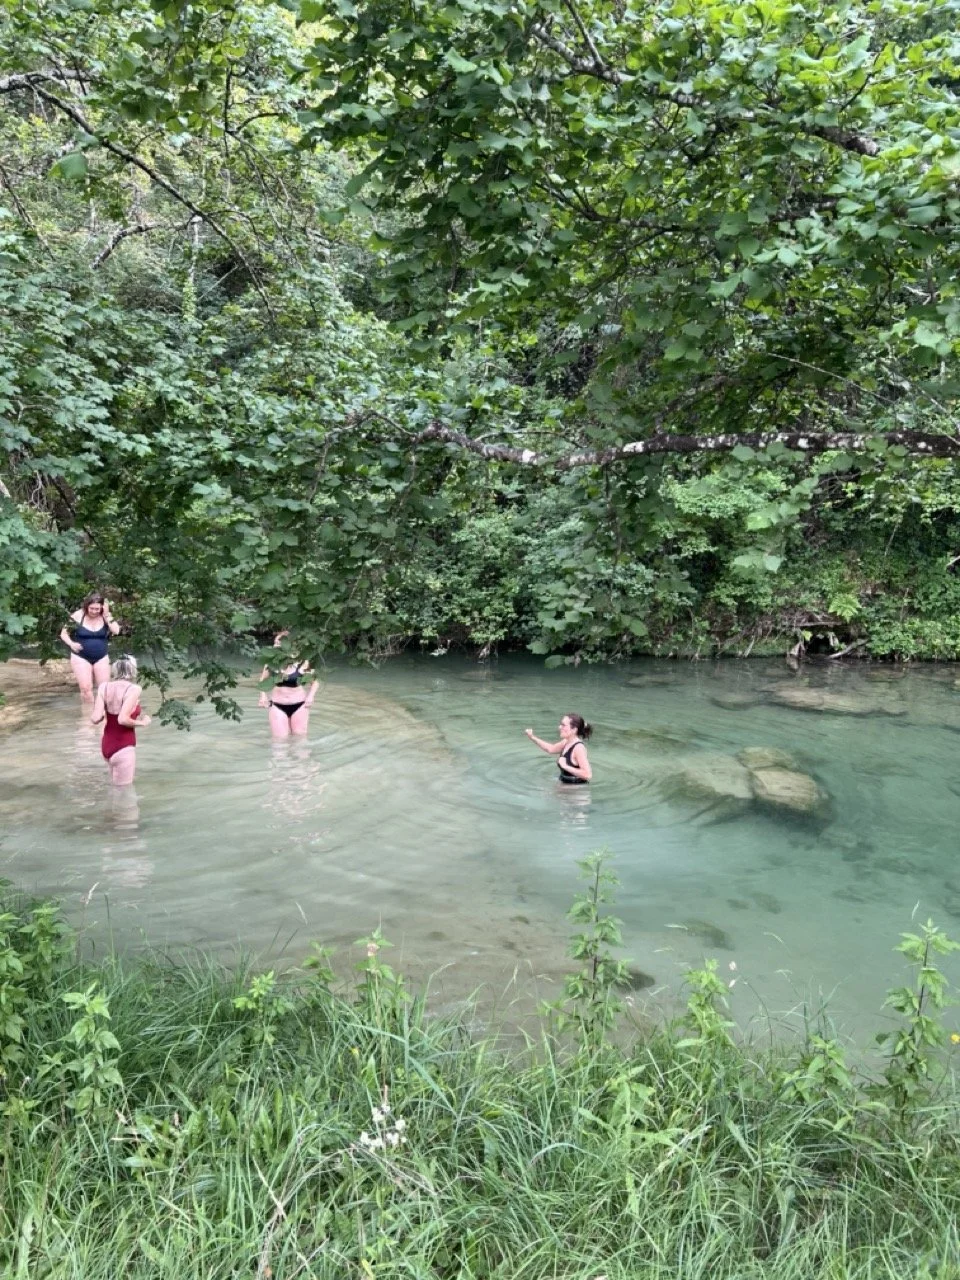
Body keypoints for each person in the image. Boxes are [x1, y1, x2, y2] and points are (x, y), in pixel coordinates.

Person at [90, 654, 151, 786]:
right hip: (123, 745)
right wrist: (142, 723)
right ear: (133, 669)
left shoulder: (104, 687)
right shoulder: (134, 689)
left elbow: (95, 718)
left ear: (115, 670)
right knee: (125, 792)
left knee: (115, 789)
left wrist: (105, 712)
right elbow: (122, 719)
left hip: (107, 744)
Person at [60, 591, 120, 701]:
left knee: (105, 689)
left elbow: (116, 631)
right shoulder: (78, 615)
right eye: (91, 608)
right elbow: (63, 633)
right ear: (87, 606)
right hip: (80, 656)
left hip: (101, 656)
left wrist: (107, 615)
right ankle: (88, 712)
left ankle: (103, 711)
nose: (94, 611)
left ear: (102, 608)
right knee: (86, 689)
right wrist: (71, 644)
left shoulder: (106, 616)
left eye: (97, 609)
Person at [258, 631, 319, 738]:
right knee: (279, 740)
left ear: (289, 645)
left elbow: (315, 682)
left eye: (279, 643)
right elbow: (262, 680)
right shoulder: (271, 663)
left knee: (300, 738)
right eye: (275, 643)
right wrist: (263, 696)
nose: (275, 646)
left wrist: (310, 696)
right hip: (277, 705)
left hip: (299, 705)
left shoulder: (303, 662)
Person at [524, 713, 593, 784]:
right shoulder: (566, 742)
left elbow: (587, 775)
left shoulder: (578, 748)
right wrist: (532, 737)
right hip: (565, 782)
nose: (559, 727)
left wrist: (565, 766)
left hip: (576, 787)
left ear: (574, 730)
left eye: (563, 725)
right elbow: (551, 749)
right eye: (560, 724)